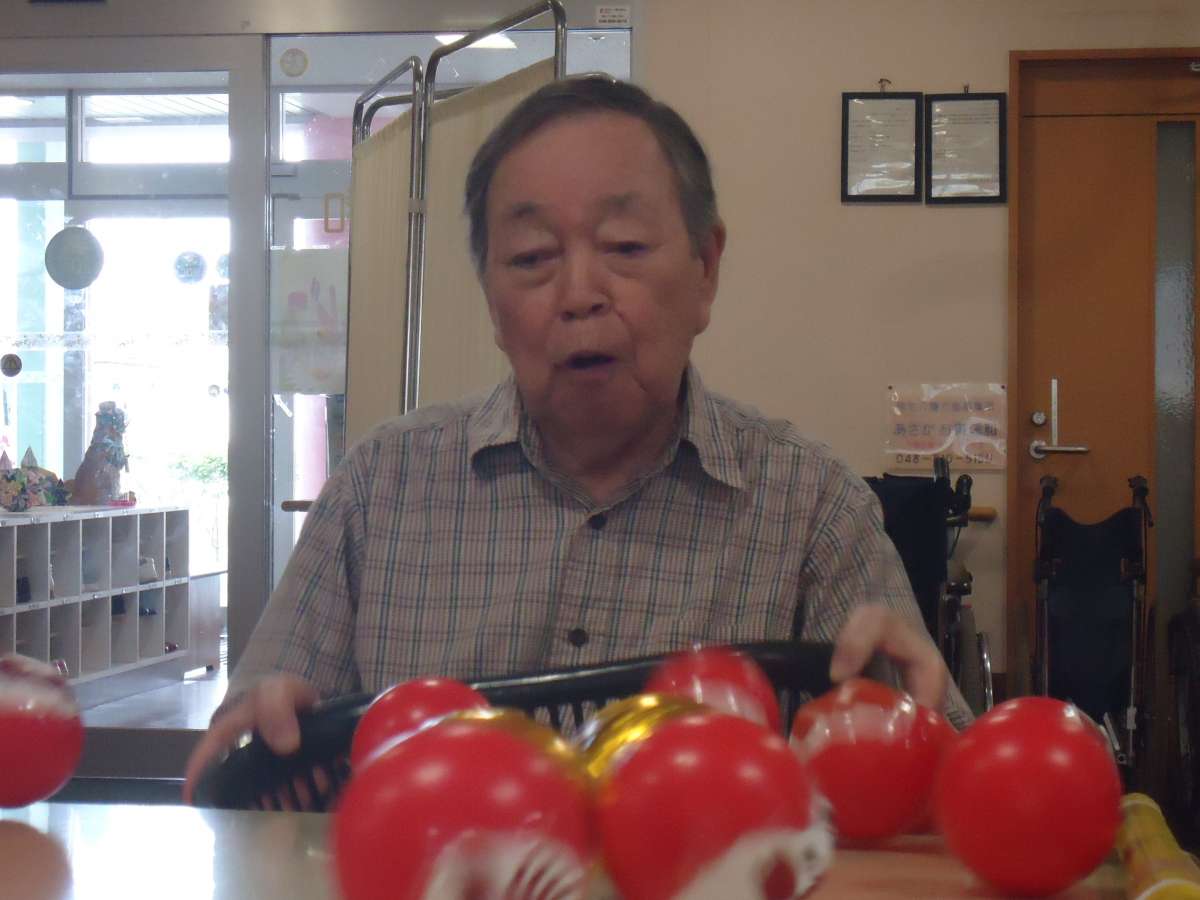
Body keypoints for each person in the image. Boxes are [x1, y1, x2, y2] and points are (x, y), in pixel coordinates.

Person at [183, 76, 970, 801]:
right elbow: (234, 770)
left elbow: (953, 805)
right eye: (532, 258)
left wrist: (914, 738)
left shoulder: (813, 505)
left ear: (705, 268)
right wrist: (259, 745)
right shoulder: (378, 487)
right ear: (492, 303)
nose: (580, 294)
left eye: (624, 247)